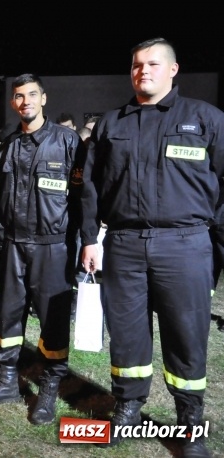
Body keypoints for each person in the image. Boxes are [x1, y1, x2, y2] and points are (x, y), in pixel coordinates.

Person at [80, 37, 224, 455]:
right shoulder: (111, 124)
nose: (144, 71)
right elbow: (89, 187)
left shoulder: (206, 119)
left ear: (173, 70)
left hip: (185, 244)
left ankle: (189, 418)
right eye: (137, 65)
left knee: (186, 334)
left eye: (154, 64)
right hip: (123, 244)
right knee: (127, 334)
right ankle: (127, 406)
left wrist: (215, 236)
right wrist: (91, 238)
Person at [0, 74, 84, 427]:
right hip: (13, 246)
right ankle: (7, 381)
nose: (25, 102)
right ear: (13, 102)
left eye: (32, 95)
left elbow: (82, 199)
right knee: (8, 317)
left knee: (52, 322)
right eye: (19, 96)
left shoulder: (68, 142)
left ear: (43, 99)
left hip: (53, 247)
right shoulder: (7, 142)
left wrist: (82, 243)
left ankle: (49, 387)